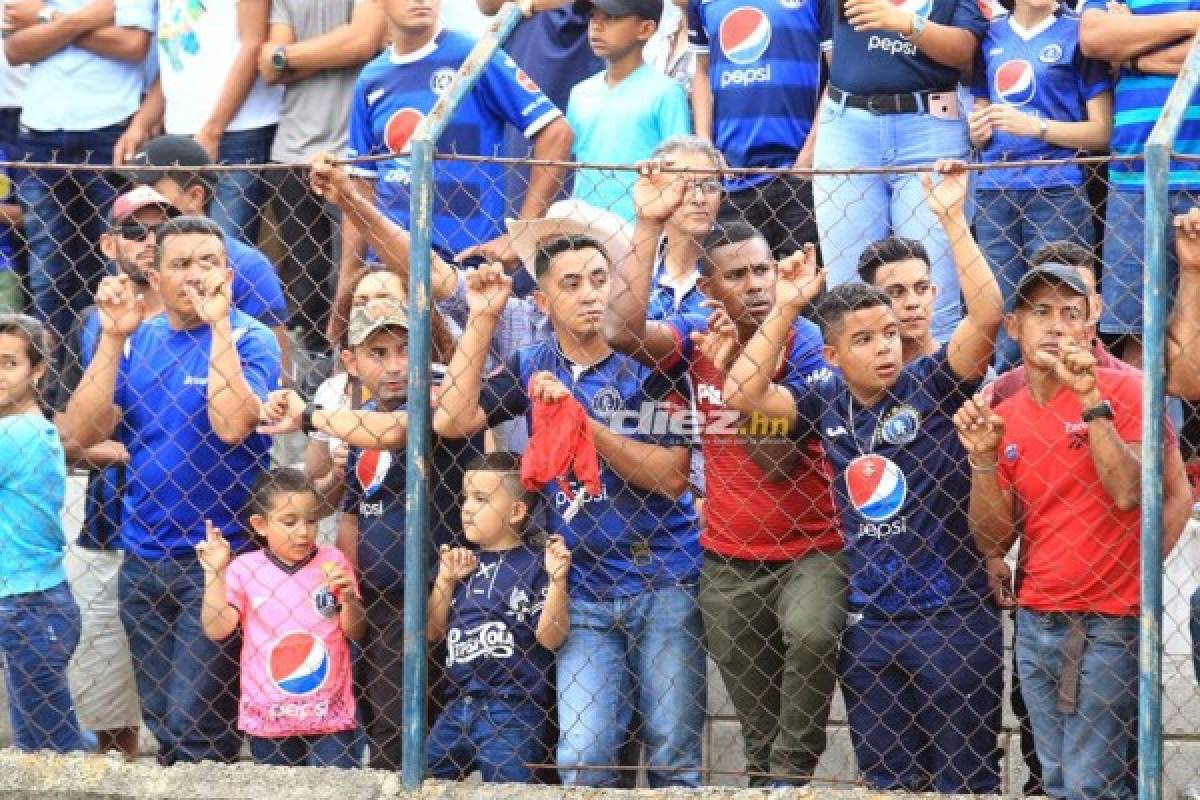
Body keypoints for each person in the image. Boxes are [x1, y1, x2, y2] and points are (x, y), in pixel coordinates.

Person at [723, 162, 1006, 793]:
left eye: (888, 334)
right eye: (866, 339)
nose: (885, 347)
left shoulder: (932, 382)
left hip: (953, 616)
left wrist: (953, 219)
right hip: (870, 625)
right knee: (889, 783)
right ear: (831, 354)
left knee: (966, 781)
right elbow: (742, 394)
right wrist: (790, 303)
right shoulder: (823, 396)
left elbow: (986, 318)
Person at [433, 239, 705, 788]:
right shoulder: (533, 365)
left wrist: (582, 424)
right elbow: (452, 419)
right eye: (572, 283)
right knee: (582, 758)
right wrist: (483, 317)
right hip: (581, 586)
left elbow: (671, 476)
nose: (591, 294)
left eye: (601, 279)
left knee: (674, 753)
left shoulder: (651, 365)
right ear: (542, 303)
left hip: (664, 576)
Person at [607, 168, 845, 785]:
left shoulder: (809, 340)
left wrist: (737, 367)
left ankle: (787, 780)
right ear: (709, 288)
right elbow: (621, 331)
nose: (757, 285)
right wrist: (647, 224)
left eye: (763, 270)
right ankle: (772, 781)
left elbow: (779, 456)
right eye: (737, 276)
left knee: (813, 636)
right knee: (753, 714)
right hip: (728, 556)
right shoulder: (691, 337)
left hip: (810, 548)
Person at [954, 264, 1192, 800]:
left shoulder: (1126, 390)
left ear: (1091, 326)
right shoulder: (1005, 406)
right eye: (1041, 312)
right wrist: (984, 460)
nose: (1056, 325)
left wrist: (1091, 405)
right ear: (1013, 325)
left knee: (1092, 785)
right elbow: (994, 539)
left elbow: (1132, 493)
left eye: (1071, 313)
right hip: (1037, 620)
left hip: (1110, 621)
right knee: (1059, 780)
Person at [59, 215, 281, 766]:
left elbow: (231, 425)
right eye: (180, 265)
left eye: (208, 263)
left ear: (228, 272)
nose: (196, 276)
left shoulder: (251, 337)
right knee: (162, 718)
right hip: (141, 554)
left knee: (195, 723)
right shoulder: (137, 339)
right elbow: (83, 434)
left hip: (217, 556)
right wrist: (112, 337)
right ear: (154, 278)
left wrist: (220, 325)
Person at [260, 297, 483, 771]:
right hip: (379, 605)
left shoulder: (442, 398)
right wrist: (351, 593)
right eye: (378, 353)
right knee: (385, 725)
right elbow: (353, 514)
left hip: (441, 594)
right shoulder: (359, 429)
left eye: (405, 349)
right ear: (351, 363)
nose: (395, 365)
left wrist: (308, 417)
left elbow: (399, 430)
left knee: (429, 733)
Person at [51, 187, 178, 759]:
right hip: (108, 511)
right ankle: (115, 774)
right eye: (135, 231)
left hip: (185, 517)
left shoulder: (205, 316)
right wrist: (129, 451)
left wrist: (125, 437)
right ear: (109, 244)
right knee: (104, 665)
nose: (149, 242)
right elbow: (70, 431)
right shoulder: (91, 322)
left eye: (162, 229)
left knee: (190, 684)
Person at [342, 0, 573, 281]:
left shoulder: (473, 55)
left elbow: (556, 132)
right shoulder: (371, 79)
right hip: (390, 271)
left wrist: (522, 232)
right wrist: (348, 283)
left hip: (464, 267)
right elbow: (361, 186)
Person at [813, 0, 987, 342]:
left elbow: (965, 49)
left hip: (929, 126)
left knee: (931, 297)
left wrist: (907, 23)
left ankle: (936, 392)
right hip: (848, 126)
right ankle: (854, 395)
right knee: (848, 299)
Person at [4, 0, 154, 364]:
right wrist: (85, 20)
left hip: (110, 129)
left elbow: (133, 46)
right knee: (48, 267)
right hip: (40, 129)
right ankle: (48, 377)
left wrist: (46, 22)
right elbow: (15, 49)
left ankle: (107, 368)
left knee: (111, 258)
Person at [968, 0, 1111, 370]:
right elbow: (980, 115)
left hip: (1056, 189)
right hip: (994, 190)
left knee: (1059, 305)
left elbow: (1102, 131)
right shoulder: (989, 36)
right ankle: (1010, 403)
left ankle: (1070, 400)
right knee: (1003, 313)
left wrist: (1038, 127)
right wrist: (978, 130)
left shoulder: (1078, 33)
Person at [197, 467, 364, 768]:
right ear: (260, 525)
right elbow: (217, 629)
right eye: (289, 522)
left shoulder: (333, 561)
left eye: (312, 520)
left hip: (330, 715)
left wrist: (349, 598)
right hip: (269, 717)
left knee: (336, 788)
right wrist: (215, 573)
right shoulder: (245, 569)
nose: (303, 531)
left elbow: (355, 631)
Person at [426, 452, 572, 783]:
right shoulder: (461, 564)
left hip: (512, 709)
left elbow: (550, 638)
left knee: (508, 789)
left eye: (481, 499)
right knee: (423, 780)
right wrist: (445, 582)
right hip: (456, 705)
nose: (466, 508)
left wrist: (557, 581)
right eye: (465, 498)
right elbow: (434, 633)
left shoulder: (535, 564)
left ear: (517, 511)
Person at [259, 0, 387, 354]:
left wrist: (289, 57)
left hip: (353, 153)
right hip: (290, 153)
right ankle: (316, 383)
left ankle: (355, 370)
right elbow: (268, 69)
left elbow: (361, 42)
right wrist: (336, 49)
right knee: (305, 287)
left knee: (350, 280)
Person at [1079, 0, 1200, 365]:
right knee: (1138, 334)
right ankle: (1152, 425)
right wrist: (1191, 22)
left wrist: (1133, 57)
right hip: (1133, 181)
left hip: (1195, 170)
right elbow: (1094, 40)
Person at [125, 134, 291, 379]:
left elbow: (279, 368)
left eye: (153, 189)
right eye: (135, 189)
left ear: (194, 197)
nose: (142, 199)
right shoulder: (134, 250)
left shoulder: (247, 265)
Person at [117, 0, 282, 244]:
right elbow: (177, 64)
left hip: (236, 133)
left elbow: (253, 45)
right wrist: (140, 124)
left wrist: (213, 130)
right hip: (181, 134)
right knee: (175, 247)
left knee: (223, 250)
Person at [0, 313, 86, 753]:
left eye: (8, 363)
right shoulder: (32, 427)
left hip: (28, 605)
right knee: (37, 746)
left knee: (56, 748)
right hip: (31, 600)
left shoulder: (16, 433)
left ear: (37, 371)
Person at [688, 0, 826, 260]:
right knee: (735, 292)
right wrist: (707, 149)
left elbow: (837, 71)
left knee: (801, 289)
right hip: (732, 179)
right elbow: (702, 70)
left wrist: (808, 157)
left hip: (798, 177)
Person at [568, 0, 691, 221]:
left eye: (611, 18)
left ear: (645, 29)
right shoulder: (579, 94)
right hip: (583, 232)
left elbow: (678, 167)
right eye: (593, 16)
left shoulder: (667, 92)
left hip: (641, 232)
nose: (597, 26)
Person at [640, 136, 722, 321]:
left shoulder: (735, 265)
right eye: (685, 186)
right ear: (657, 190)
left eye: (710, 186)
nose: (699, 199)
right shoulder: (635, 262)